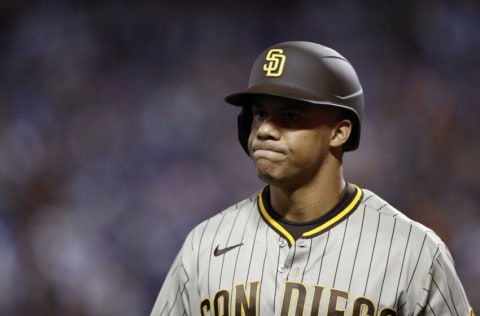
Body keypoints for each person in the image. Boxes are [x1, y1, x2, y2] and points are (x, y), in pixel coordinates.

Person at [150, 41, 474, 315]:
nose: (264, 130)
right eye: (260, 114)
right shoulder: (204, 244)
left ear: (339, 132)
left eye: (290, 116)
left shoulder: (413, 252)